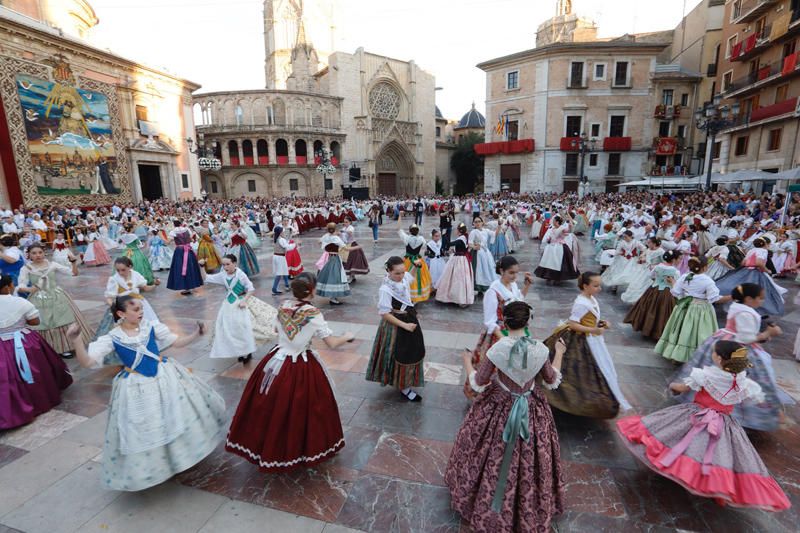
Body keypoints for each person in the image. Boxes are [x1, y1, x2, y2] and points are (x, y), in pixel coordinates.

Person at [68, 296, 226, 491]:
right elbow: (88, 363)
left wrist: (196, 334)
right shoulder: (112, 337)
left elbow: (175, 342)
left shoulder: (150, 326)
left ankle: (178, 456)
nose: (140, 312)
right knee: (145, 425)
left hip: (163, 376)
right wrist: (76, 341)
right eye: (135, 309)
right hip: (136, 385)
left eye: (141, 308)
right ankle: (153, 467)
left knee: (173, 415)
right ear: (121, 314)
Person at [617, 340, 790, 512]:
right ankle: (715, 486)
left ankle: (679, 470)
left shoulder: (706, 375)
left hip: (696, 415)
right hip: (724, 423)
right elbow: (755, 399)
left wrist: (673, 386)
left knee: (679, 439)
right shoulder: (745, 383)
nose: (712, 355)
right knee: (719, 455)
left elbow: (683, 387)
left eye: (714, 353)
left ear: (720, 359)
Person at [445, 301, 565, 532]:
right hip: (531, 408)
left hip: (498, 405)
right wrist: (559, 353)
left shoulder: (497, 349)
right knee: (533, 457)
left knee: (486, 452)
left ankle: (482, 500)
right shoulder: (540, 349)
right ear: (529, 321)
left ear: (504, 321)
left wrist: (467, 362)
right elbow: (552, 381)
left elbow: (478, 384)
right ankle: (527, 506)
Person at [225, 274, 354, 472]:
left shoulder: (283, 306)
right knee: (308, 408)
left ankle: (266, 447)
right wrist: (346, 336)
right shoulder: (313, 313)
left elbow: (277, 331)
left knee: (270, 406)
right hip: (300, 364)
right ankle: (300, 450)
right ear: (312, 290)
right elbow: (332, 343)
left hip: (276, 361)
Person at [672, 283, 792, 432]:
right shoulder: (746, 313)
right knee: (746, 379)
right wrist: (768, 333)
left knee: (713, 373)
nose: (762, 301)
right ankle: (746, 413)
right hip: (736, 349)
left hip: (724, 339)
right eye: (760, 298)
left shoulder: (737, 306)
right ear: (748, 299)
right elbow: (746, 337)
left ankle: (696, 394)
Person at [542, 272, 631, 418]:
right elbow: (573, 324)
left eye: (599, 285)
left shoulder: (590, 299)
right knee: (580, 369)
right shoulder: (580, 303)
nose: (599, 288)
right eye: (595, 285)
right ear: (585, 286)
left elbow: (589, 317)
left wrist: (601, 322)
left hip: (592, 338)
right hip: (582, 339)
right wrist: (593, 329)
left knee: (602, 366)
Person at [0, 275, 72, 430]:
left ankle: (10, 408)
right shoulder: (20, 302)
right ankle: (38, 399)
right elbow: (34, 321)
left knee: (7, 377)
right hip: (23, 343)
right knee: (36, 371)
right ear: (7, 287)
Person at [465, 255, 533, 399]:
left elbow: (519, 300)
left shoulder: (513, 285)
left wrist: (526, 286)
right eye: (511, 273)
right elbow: (490, 321)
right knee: (492, 368)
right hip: (499, 334)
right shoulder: (493, 292)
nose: (515, 276)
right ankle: (487, 397)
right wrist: (506, 341)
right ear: (502, 271)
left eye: (516, 273)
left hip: (516, 330)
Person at [365, 256, 426, 401]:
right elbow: (384, 313)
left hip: (409, 319)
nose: (401, 276)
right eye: (397, 273)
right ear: (388, 271)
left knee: (413, 351)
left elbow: (409, 277)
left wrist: (414, 267)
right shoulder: (385, 289)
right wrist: (405, 325)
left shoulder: (403, 278)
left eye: (402, 272)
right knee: (400, 353)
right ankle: (403, 386)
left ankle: (408, 379)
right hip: (396, 325)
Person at [17, 244, 91, 357]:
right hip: (38, 299)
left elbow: (73, 273)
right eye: (34, 253)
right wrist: (29, 289)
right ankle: (47, 348)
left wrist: (73, 263)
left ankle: (65, 347)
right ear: (29, 255)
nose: (38, 255)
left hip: (57, 296)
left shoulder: (52, 265)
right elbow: (20, 285)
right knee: (43, 324)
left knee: (62, 320)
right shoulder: (26, 269)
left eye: (40, 252)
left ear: (44, 253)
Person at [202, 254, 272, 364]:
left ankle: (247, 351)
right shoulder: (223, 275)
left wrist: (244, 300)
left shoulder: (241, 275)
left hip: (240, 302)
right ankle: (238, 351)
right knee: (229, 328)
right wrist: (201, 266)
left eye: (228, 264)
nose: (225, 267)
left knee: (243, 327)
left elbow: (251, 288)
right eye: (223, 265)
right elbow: (206, 278)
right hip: (228, 304)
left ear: (234, 263)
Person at [656, 257, 727, 363]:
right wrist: (732, 297)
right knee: (696, 332)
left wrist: (672, 282)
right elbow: (714, 298)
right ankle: (693, 356)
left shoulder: (685, 276)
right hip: (700, 309)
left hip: (684, 306)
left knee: (683, 329)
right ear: (705, 267)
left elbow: (676, 292)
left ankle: (676, 355)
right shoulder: (707, 281)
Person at [715, 237, 787, 316]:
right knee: (759, 290)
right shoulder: (763, 251)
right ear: (766, 244)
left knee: (740, 287)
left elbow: (743, 263)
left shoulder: (752, 250)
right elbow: (759, 263)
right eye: (769, 244)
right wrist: (767, 270)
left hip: (745, 271)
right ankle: (758, 309)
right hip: (756, 272)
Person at [94, 256, 160, 340]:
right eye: (118, 270)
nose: (120, 272)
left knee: (145, 324)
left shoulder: (135, 275)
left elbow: (146, 288)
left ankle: (147, 341)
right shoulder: (114, 279)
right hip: (124, 307)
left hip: (138, 304)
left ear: (130, 267)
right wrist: (115, 307)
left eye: (123, 270)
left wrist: (155, 285)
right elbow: (109, 297)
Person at [623, 250, 680, 341]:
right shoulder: (675, 271)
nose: (679, 260)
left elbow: (651, 276)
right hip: (667, 293)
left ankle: (646, 328)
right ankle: (658, 332)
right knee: (663, 312)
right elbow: (676, 283)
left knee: (649, 309)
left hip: (654, 289)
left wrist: (658, 279)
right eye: (678, 259)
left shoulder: (657, 267)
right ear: (673, 260)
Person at [435, 223, 475, 307]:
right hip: (462, 259)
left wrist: (444, 235)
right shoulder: (465, 237)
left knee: (458, 279)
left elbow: (449, 244)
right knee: (460, 279)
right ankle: (459, 297)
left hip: (459, 260)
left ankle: (458, 298)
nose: (456, 231)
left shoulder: (461, 238)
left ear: (459, 230)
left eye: (457, 229)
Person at [535, 216, 580, 284]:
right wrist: (549, 239)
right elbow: (551, 236)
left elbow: (568, 231)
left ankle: (557, 277)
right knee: (549, 262)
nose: (553, 222)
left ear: (557, 221)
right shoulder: (552, 228)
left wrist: (570, 224)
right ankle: (548, 275)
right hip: (551, 247)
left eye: (554, 220)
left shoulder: (562, 228)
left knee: (557, 262)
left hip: (559, 247)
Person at [316, 223, 350, 305]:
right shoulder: (336, 238)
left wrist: (326, 246)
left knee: (329, 275)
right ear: (335, 229)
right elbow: (344, 246)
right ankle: (333, 297)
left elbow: (319, 241)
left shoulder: (326, 236)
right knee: (335, 275)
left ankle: (332, 296)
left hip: (328, 257)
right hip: (335, 258)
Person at [398, 221, 432, 303]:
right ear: (417, 231)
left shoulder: (406, 238)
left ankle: (407, 295)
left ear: (410, 231)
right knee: (418, 276)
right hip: (418, 260)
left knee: (407, 276)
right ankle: (417, 296)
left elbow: (399, 229)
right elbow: (426, 247)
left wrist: (400, 216)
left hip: (408, 260)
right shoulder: (421, 239)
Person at [167, 221, 204, 296]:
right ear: (180, 224)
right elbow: (192, 239)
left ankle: (186, 287)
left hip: (180, 251)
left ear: (174, 225)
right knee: (190, 267)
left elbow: (167, 242)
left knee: (181, 268)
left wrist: (160, 235)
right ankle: (191, 285)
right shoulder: (187, 229)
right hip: (188, 250)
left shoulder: (173, 231)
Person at [469, 216, 498, 293]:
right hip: (478, 253)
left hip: (486, 252)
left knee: (487, 268)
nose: (477, 223)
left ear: (482, 222)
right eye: (476, 222)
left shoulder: (486, 230)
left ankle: (487, 284)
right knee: (479, 270)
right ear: (473, 224)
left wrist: (500, 225)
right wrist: (475, 247)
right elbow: (470, 243)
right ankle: (479, 287)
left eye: (479, 221)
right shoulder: (473, 232)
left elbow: (495, 234)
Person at [340, 217, 369, 281]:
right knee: (345, 261)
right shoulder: (344, 228)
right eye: (344, 222)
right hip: (346, 245)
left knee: (351, 260)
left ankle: (351, 276)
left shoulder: (351, 227)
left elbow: (350, 232)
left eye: (346, 222)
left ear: (350, 222)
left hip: (352, 245)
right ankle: (351, 276)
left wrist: (344, 231)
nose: (345, 223)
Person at [270, 225, 296, 295]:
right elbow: (287, 247)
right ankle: (274, 288)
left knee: (284, 271)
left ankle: (287, 285)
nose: (283, 232)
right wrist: (295, 244)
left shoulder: (277, 238)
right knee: (279, 273)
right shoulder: (281, 239)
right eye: (282, 231)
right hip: (280, 257)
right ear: (280, 232)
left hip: (277, 256)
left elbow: (285, 243)